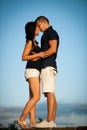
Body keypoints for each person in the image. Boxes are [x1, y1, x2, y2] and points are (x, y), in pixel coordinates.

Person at [17, 22, 44, 129]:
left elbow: (33, 56)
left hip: (35, 71)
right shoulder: (29, 42)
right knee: (37, 97)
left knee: (32, 98)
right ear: (33, 30)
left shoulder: (35, 42)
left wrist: (38, 56)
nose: (39, 29)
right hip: (31, 71)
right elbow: (23, 57)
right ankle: (21, 119)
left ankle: (32, 123)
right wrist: (38, 55)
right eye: (37, 27)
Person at [34, 16, 59, 128]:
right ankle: (52, 121)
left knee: (49, 93)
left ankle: (49, 120)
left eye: (39, 26)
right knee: (50, 93)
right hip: (48, 66)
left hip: (48, 66)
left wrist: (41, 55)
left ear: (44, 22)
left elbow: (53, 49)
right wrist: (38, 55)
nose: (38, 29)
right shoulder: (48, 33)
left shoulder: (51, 32)